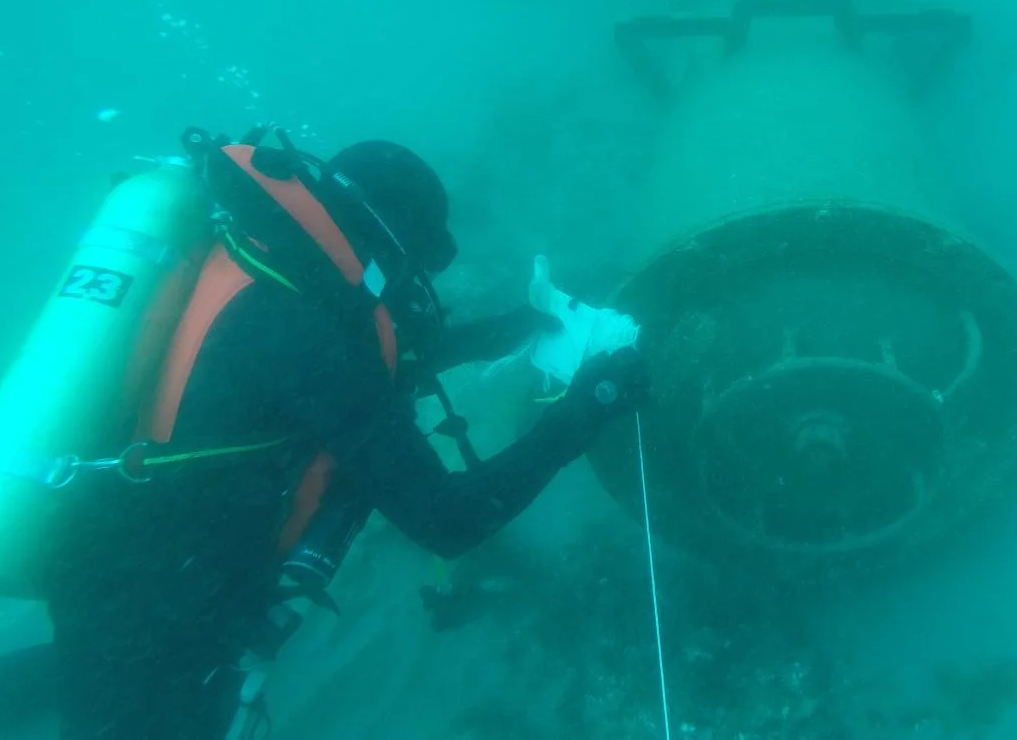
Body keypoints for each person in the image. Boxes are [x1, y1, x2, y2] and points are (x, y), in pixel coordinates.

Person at [33, 134, 649, 740]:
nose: (404, 288)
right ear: (384, 242)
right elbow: (448, 520)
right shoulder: (303, 332)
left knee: (83, 685)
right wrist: (590, 405)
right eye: (406, 265)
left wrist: (510, 329)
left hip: (107, 564)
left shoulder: (254, 264)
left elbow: (351, 370)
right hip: (152, 615)